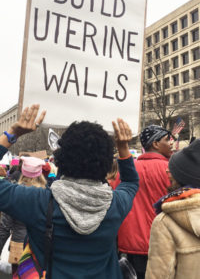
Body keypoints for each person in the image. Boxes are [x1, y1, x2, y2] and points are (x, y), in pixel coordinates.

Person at [0, 104, 139, 279]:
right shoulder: (116, 204)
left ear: (61, 158)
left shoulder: (37, 202)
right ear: (106, 162)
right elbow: (131, 182)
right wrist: (123, 148)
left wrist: (13, 133)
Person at [113, 124, 173, 279]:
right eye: (168, 139)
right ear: (155, 144)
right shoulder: (171, 171)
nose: (172, 142)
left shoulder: (125, 171)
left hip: (130, 246)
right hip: (163, 244)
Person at [145, 139, 200, 279]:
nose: (167, 171)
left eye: (173, 170)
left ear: (181, 176)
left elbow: (158, 275)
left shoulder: (165, 222)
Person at [0, 156, 47, 274]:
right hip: (41, 247)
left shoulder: (14, 195)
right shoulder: (48, 195)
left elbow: (5, 227)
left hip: (18, 246)